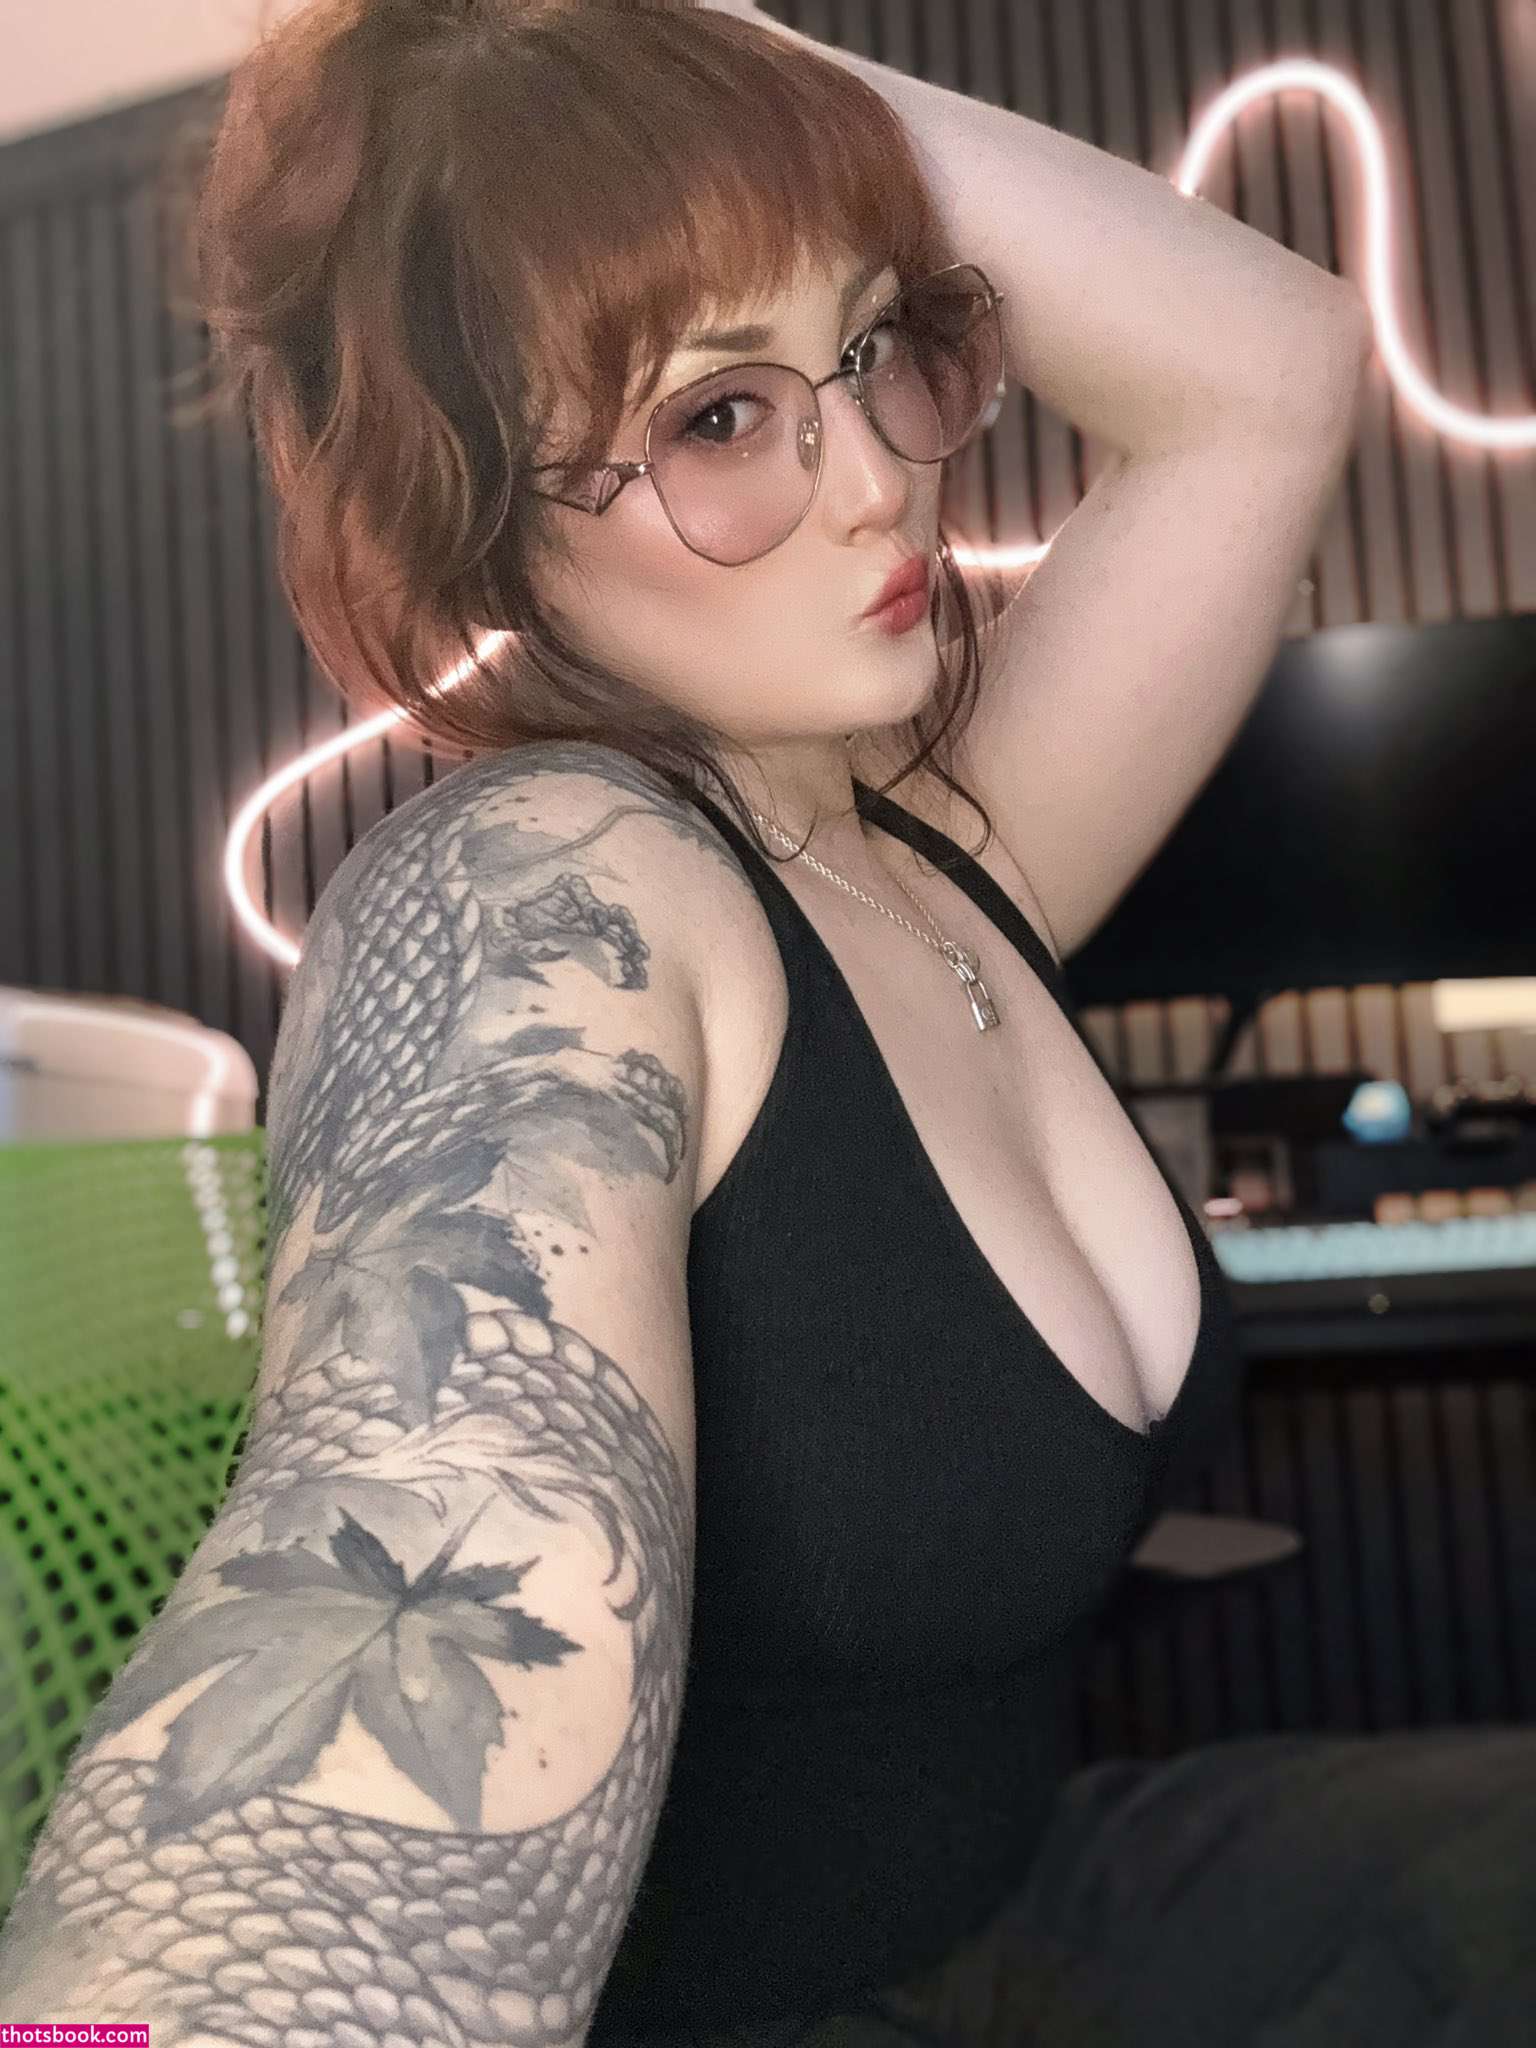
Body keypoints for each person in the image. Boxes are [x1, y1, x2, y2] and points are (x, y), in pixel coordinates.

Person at [2, 3, 1532, 2044]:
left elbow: (1271, 365)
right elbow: (384, 1583)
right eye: (720, 418)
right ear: (485, 514)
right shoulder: (548, 880)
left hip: (1034, 1908)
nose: (883, 475)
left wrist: (670, 54)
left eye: (880, 344)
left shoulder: (937, 854)